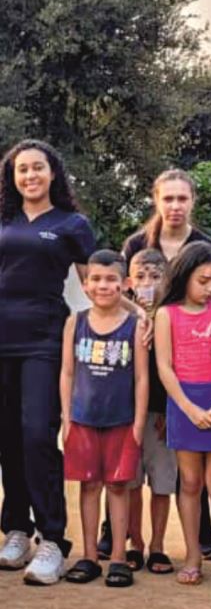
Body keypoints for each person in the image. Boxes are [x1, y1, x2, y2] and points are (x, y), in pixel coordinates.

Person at [107, 167, 211, 561]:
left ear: (192, 201)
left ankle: (203, 536)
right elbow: (119, 287)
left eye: (182, 198)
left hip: (191, 356)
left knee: (193, 454)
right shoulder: (138, 243)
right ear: (155, 200)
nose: (175, 206)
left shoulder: (205, 244)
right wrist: (144, 318)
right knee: (134, 442)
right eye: (168, 198)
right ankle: (117, 532)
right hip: (144, 348)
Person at [0, 139, 97, 585]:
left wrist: (140, 317)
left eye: (37, 168)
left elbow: (95, 282)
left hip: (44, 340)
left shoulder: (72, 224)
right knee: (8, 439)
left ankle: (53, 540)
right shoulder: (4, 219)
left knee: (38, 434)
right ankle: (17, 529)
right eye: (22, 170)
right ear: (12, 177)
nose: (30, 176)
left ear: (52, 172)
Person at [60, 250, 149, 588]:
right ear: (85, 284)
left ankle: (117, 558)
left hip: (122, 421)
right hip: (83, 419)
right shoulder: (75, 322)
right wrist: (67, 417)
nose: (103, 285)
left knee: (117, 485)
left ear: (125, 284)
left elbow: (142, 378)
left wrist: (139, 423)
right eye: (96, 279)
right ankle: (88, 557)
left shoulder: (134, 325)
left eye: (111, 279)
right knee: (89, 485)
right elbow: (67, 372)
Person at [154, 242, 211, 588]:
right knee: (190, 483)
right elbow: (164, 366)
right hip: (183, 402)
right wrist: (187, 407)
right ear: (184, 276)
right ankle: (192, 555)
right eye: (203, 281)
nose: (210, 288)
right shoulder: (166, 314)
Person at [124, 249, 176, 574]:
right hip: (127, 417)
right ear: (129, 281)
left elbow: (177, 369)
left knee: (161, 483)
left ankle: (157, 545)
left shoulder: (172, 317)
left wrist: (172, 412)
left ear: (167, 281)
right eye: (140, 277)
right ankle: (135, 543)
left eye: (155, 277)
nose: (147, 283)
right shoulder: (122, 318)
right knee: (129, 484)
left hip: (162, 417)